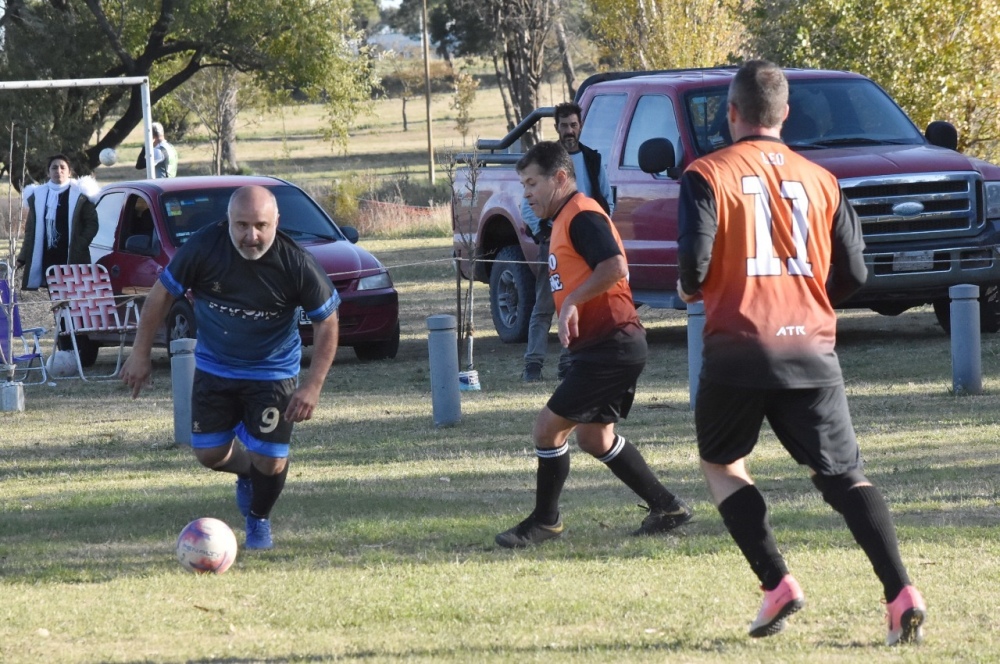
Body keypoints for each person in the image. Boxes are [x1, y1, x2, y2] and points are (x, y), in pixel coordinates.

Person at [676, 60, 925, 644]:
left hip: (739, 348)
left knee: (722, 464)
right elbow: (857, 271)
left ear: (730, 114)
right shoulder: (821, 179)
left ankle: (777, 584)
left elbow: (694, 269)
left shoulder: (706, 174)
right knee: (843, 475)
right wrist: (809, 298)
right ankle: (900, 593)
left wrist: (694, 287)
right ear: (785, 115)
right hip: (811, 348)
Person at [495, 141, 691, 548]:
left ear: (560, 178)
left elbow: (615, 266)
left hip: (611, 344)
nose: (526, 193)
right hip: (605, 344)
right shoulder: (566, 217)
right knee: (594, 438)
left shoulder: (581, 214)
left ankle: (545, 521)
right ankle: (667, 506)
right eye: (523, 184)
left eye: (532, 183)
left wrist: (571, 301)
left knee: (547, 429)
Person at [120, 185, 340, 550]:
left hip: (272, 370)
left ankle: (258, 520)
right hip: (215, 365)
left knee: (270, 461)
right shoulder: (204, 248)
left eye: (260, 226)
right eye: (241, 225)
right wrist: (140, 352)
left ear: (276, 223)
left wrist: (313, 385)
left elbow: (328, 322)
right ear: (228, 221)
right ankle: (247, 473)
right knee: (208, 454)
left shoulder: (296, 263)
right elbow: (161, 295)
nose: (250, 236)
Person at [520, 102, 614, 382]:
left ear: (580, 126)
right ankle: (533, 365)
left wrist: (596, 233)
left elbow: (607, 200)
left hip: (586, 245)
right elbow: (527, 201)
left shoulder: (594, 160)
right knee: (544, 305)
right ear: (556, 127)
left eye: (573, 125)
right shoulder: (545, 161)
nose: (569, 131)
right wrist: (544, 231)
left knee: (576, 304)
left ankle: (569, 362)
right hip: (553, 242)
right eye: (563, 125)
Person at [15, 154, 99, 290]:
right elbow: (30, 231)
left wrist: (80, 244)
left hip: (72, 255)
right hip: (48, 257)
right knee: (56, 299)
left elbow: (92, 224)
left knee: (74, 298)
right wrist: (22, 258)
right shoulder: (38, 196)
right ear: (48, 172)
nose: (58, 171)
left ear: (69, 172)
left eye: (62, 168)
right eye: (54, 168)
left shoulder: (81, 195)